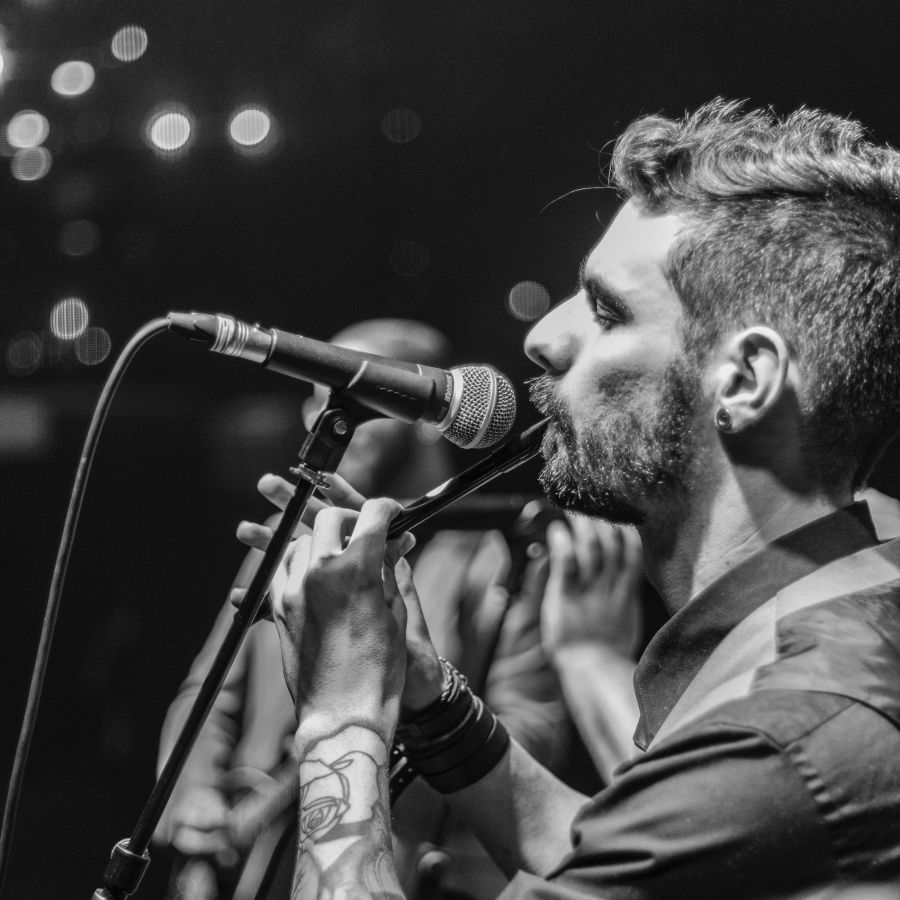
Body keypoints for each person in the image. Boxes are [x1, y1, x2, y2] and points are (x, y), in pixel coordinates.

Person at [244, 98, 900, 899]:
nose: (544, 338)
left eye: (607, 312)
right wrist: (430, 697)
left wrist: (340, 716)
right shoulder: (846, 617)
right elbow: (622, 860)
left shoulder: (786, 732)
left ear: (745, 380)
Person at [153, 319, 573, 900]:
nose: (319, 416)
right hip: (252, 863)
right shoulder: (292, 538)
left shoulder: (498, 557)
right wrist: (196, 798)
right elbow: (207, 695)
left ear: (431, 413)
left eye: (351, 395)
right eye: (315, 398)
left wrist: (412, 717)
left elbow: (532, 731)